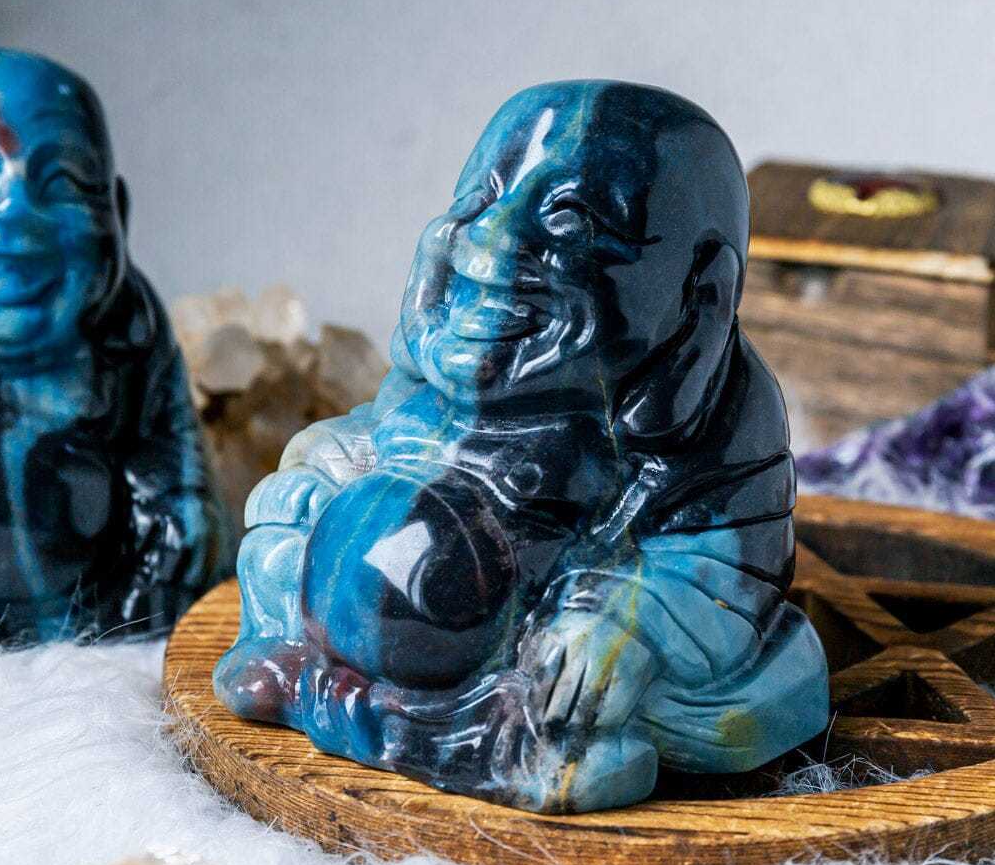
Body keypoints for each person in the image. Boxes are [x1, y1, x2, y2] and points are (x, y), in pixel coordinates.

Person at [215, 80, 828, 812]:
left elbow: (728, 559)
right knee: (291, 509)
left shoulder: (723, 412)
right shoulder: (456, 356)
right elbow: (378, 433)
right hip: (404, 570)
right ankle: (322, 665)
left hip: (554, 610)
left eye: (568, 221)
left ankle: (497, 727)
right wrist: (325, 473)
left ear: (701, 296)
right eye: (482, 197)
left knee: (695, 690)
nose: (491, 241)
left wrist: (623, 621)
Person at [0, 49, 233, 644]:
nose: (17, 218)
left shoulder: (131, 329)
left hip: (112, 613)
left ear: (118, 215)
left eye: (66, 184)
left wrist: (179, 531)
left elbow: (173, 461)